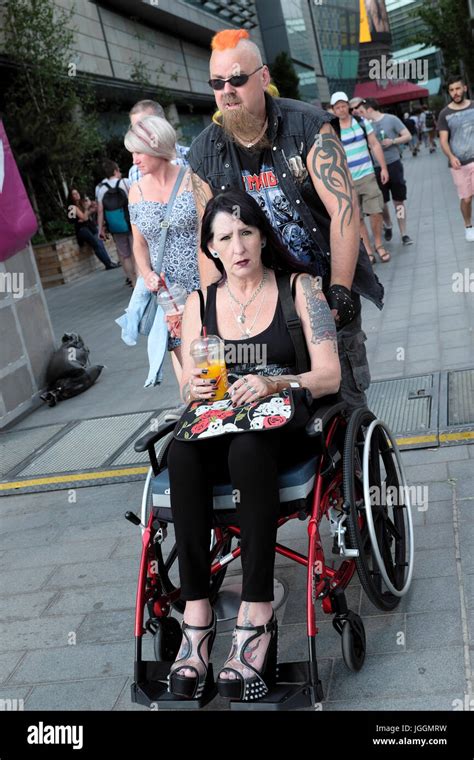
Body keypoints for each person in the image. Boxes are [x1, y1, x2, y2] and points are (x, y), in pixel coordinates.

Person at [167, 190, 341, 701]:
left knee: (248, 450)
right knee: (180, 452)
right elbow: (187, 380)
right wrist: (192, 388)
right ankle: (196, 617)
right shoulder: (202, 303)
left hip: (285, 424)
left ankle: (257, 616)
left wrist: (275, 383)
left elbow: (329, 374)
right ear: (212, 248)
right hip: (222, 422)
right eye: (225, 237)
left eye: (246, 232)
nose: (238, 245)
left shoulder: (300, 288)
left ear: (263, 236)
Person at [188, 28, 384, 414]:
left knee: (341, 402)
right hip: (263, 309)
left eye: (237, 79)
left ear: (262, 78)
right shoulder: (204, 153)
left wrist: (341, 293)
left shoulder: (308, 126)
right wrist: (209, 316)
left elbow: (344, 211)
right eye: (217, 82)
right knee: (263, 413)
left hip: (321, 293)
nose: (227, 90)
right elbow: (208, 243)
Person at [124, 115, 200, 376]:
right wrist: (146, 274)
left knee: (216, 358)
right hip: (169, 295)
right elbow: (139, 244)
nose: (134, 160)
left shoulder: (193, 180)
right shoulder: (136, 191)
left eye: (139, 152)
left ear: (157, 148)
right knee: (190, 368)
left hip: (205, 285)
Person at [331, 91, 390, 263]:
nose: (341, 109)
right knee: (357, 218)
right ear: (333, 109)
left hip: (367, 174)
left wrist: (383, 168)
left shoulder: (361, 122)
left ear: (348, 106)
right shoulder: (332, 129)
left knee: (376, 211)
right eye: (337, 107)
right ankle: (368, 250)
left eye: (343, 105)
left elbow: (374, 144)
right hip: (347, 181)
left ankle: (379, 244)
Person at [357, 99, 413, 245]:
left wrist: (393, 141)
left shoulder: (391, 119)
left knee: (399, 201)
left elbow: (408, 135)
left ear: (369, 109)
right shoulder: (362, 126)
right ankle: (388, 224)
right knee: (381, 203)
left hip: (394, 164)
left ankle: (404, 233)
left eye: (362, 111)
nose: (361, 115)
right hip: (374, 167)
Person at [437, 75, 474, 243]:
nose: (455, 93)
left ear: (464, 88)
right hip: (459, 164)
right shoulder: (445, 114)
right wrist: (451, 157)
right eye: (452, 90)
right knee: (466, 198)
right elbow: (443, 141)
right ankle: (468, 226)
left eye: (458, 89)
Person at [128, 99, 189, 186]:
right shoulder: (135, 172)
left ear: (162, 122)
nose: (139, 133)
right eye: (135, 128)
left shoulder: (193, 157)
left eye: (145, 125)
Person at [95, 160, 137, 287]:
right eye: (118, 170)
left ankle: (133, 281)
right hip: (130, 222)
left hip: (115, 227)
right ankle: (141, 279)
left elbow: (100, 210)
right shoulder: (125, 182)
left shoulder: (100, 189)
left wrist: (100, 229)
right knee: (135, 250)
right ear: (115, 171)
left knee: (125, 255)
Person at [68, 188, 119, 270]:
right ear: (71, 197)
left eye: (77, 192)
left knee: (100, 242)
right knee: (96, 243)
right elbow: (84, 218)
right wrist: (86, 210)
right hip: (82, 229)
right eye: (74, 194)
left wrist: (88, 210)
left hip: (90, 226)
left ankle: (109, 262)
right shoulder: (72, 207)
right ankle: (107, 264)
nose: (77, 194)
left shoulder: (82, 203)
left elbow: (91, 212)